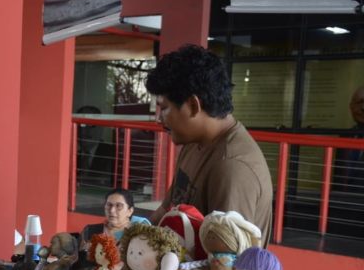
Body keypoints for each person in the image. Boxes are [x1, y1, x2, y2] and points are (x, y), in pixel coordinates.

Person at [146, 44, 273, 245]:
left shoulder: (232, 167)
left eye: (164, 108)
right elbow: (166, 209)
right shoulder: (193, 142)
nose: (159, 118)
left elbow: (225, 267)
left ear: (193, 105)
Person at [79, 188, 150, 248]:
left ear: (130, 211)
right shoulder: (90, 232)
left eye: (119, 206)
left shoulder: (140, 230)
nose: (112, 210)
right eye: (109, 205)